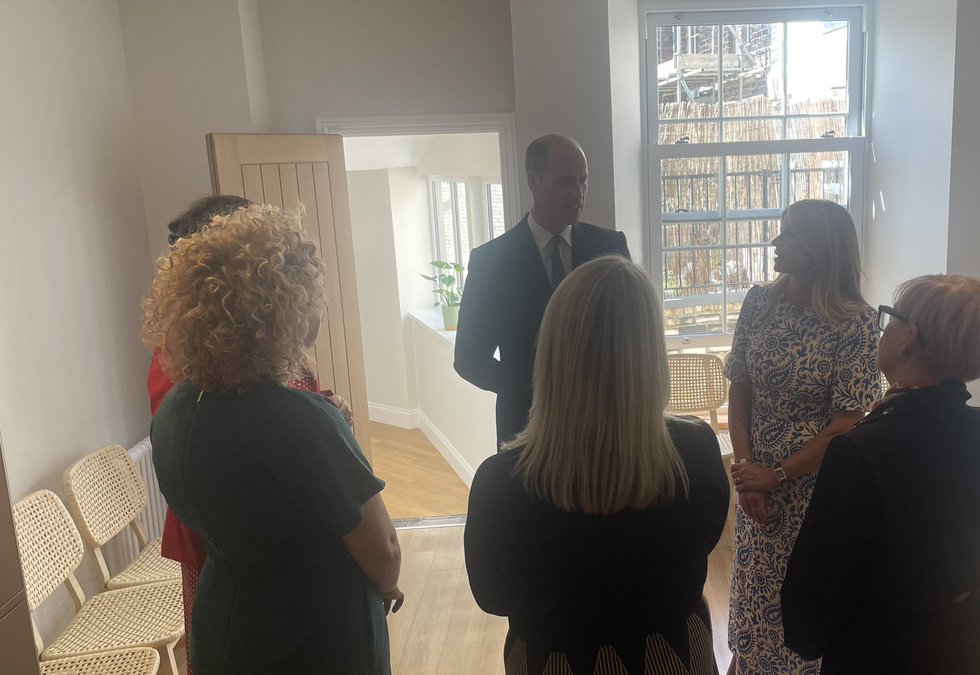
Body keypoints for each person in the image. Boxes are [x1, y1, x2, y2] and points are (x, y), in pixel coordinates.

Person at [143, 204, 401, 674]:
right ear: (287, 311)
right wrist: (387, 587)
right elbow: (382, 549)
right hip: (313, 630)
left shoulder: (176, 409)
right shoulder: (301, 419)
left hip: (225, 618)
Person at [464, 256, 730, 675]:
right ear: (650, 353)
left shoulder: (501, 481)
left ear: (552, 351)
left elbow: (492, 596)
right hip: (674, 655)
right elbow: (707, 538)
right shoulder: (696, 449)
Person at [780, 274, 980, 675]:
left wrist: (807, 639)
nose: (883, 328)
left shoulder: (862, 450)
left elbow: (813, 591)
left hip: (883, 649)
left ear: (910, 336)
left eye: (889, 317)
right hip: (967, 640)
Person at [724, 199, 880, 674]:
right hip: (756, 481)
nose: (776, 242)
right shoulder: (759, 302)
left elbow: (848, 422)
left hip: (815, 487)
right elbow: (740, 390)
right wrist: (751, 476)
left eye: (789, 234)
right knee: (754, 596)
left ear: (820, 248)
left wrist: (776, 475)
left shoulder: (857, 322)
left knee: (803, 606)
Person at [454, 133, 631, 448]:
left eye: (583, 180)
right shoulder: (491, 261)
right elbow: (468, 359)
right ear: (533, 181)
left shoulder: (610, 246)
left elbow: (629, 334)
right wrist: (539, 389)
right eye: (565, 181)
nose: (578, 192)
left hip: (605, 424)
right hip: (526, 426)